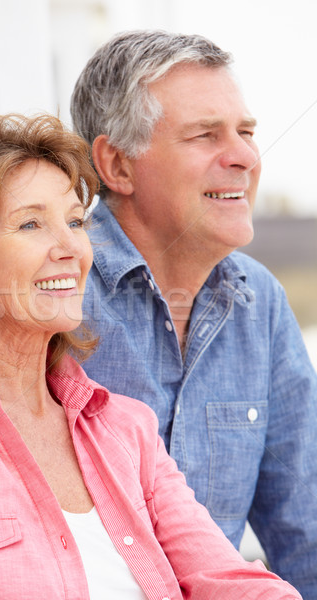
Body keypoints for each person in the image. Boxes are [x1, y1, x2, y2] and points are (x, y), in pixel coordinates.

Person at [0, 113, 303, 599]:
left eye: (75, 222)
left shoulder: (127, 430)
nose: (70, 248)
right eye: (31, 223)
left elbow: (228, 582)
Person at [70, 29, 317, 598]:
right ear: (117, 165)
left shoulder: (263, 302)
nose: (246, 157)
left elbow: (304, 525)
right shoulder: (55, 289)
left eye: (247, 132)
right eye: (205, 135)